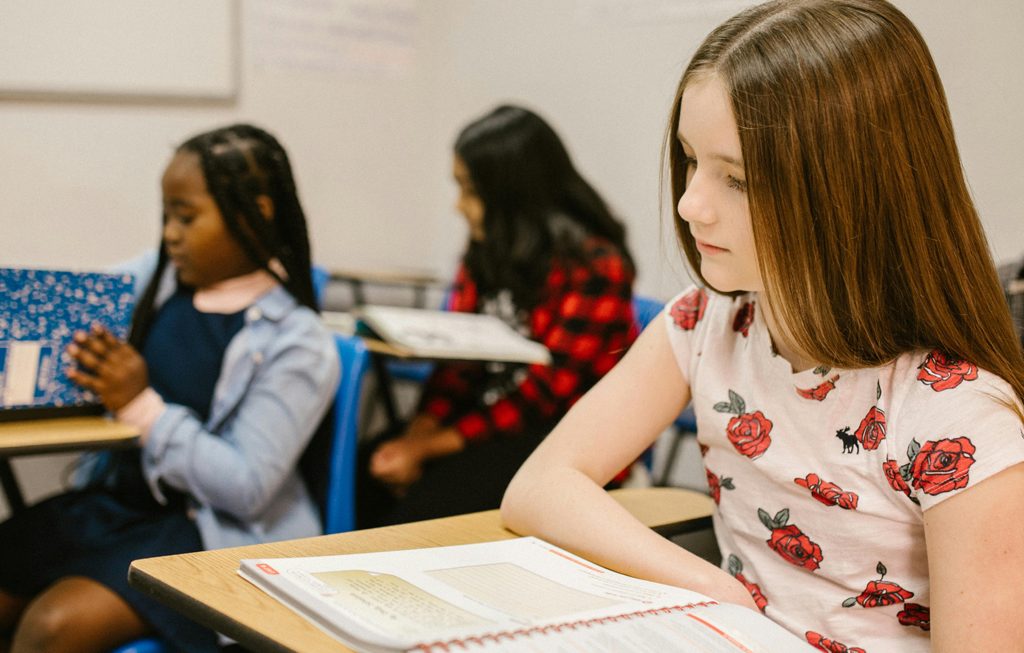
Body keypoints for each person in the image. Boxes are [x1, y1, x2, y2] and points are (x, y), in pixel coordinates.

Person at [501, 2, 1024, 651]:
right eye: (690, 159)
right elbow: (539, 485)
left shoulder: (956, 415)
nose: (691, 203)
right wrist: (712, 587)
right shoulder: (708, 323)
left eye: (739, 180)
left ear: (850, 192)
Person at [0, 124, 340, 653]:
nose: (170, 235)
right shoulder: (157, 280)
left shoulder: (299, 342)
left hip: (202, 535)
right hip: (114, 506)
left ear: (257, 213)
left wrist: (141, 407)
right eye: (166, 216)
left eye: (186, 217)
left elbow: (246, 486)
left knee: (52, 628)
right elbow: (67, 314)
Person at [358, 105, 637, 527]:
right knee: (365, 472)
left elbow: (542, 396)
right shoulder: (489, 249)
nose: (459, 206)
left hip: (557, 439)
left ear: (513, 195)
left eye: (470, 190)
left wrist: (426, 449)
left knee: (422, 513)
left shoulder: (596, 266)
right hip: (481, 425)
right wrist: (418, 434)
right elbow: (457, 362)